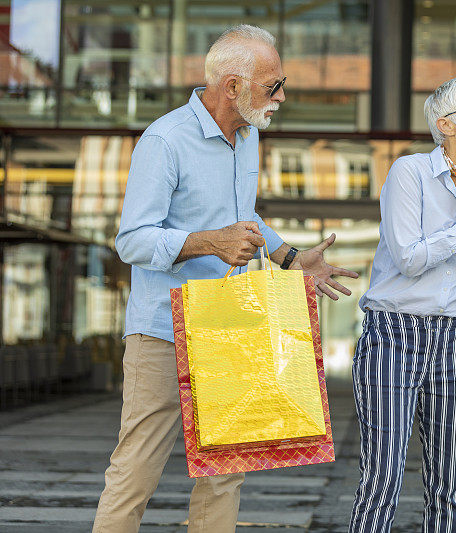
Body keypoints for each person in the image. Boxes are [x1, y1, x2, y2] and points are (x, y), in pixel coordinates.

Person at [92, 25, 358, 533]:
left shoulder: (248, 136)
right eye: (272, 85)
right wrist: (209, 242)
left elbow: (242, 215)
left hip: (230, 328)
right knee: (138, 469)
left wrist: (290, 257)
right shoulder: (165, 140)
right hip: (163, 331)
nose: (281, 97)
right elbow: (132, 240)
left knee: (226, 475)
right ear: (232, 85)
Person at [349, 75, 456, 532]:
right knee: (382, 480)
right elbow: (410, 259)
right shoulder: (409, 172)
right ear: (446, 124)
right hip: (394, 333)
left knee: (449, 488)